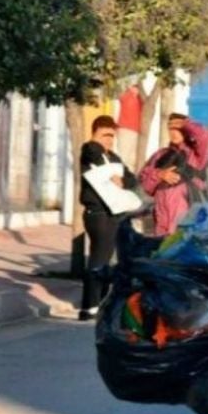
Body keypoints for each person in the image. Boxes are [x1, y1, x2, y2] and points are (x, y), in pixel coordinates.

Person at [79, 115, 138, 321]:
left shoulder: (113, 157)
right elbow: (92, 150)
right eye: (104, 135)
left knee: (106, 260)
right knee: (98, 258)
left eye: (112, 136)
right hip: (98, 214)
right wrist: (109, 173)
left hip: (115, 214)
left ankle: (101, 302)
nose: (108, 140)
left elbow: (131, 178)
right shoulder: (89, 151)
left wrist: (122, 180)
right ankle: (89, 306)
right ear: (94, 133)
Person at [139, 113, 208, 236]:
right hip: (161, 221)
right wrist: (160, 174)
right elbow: (144, 181)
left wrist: (187, 125)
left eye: (177, 129)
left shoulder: (195, 154)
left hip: (186, 221)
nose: (173, 132)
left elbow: (204, 137)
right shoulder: (160, 155)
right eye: (170, 128)